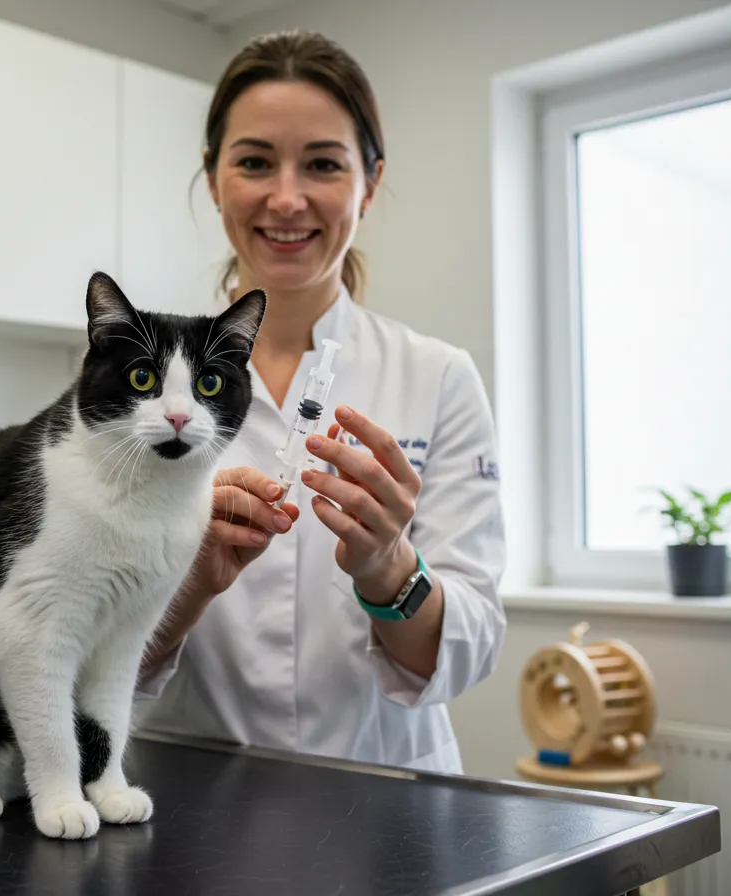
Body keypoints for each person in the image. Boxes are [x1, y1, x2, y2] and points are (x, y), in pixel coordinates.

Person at [132, 30, 506, 775]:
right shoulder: (135, 382)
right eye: (254, 162)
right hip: (194, 802)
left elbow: (468, 651)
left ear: (369, 182)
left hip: (389, 800)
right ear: (214, 179)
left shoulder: (437, 376)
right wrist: (189, 583)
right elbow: (82, 654)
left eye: (324, 164)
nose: (287, 197)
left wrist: (389, 569)